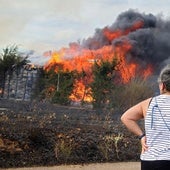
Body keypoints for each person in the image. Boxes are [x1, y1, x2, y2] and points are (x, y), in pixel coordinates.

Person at [121, 64, 170, 170]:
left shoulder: (148, 103)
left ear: (162, 85)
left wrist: (142, 136)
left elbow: (126, 117)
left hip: (149, 161)